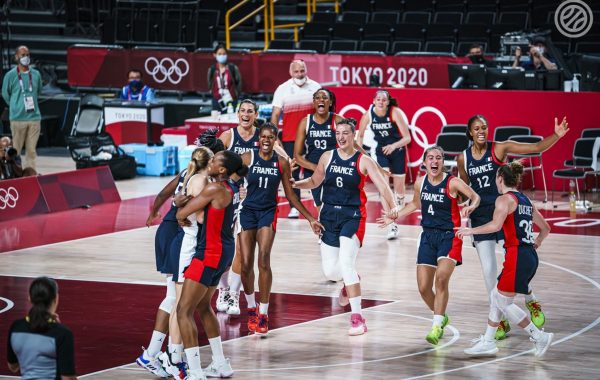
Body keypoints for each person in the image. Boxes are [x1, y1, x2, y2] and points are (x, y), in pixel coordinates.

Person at [456, 114, 569, 339]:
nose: (481, 131)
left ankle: (530, 299)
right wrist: (458, 202)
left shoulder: (499, 148)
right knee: (489, 273)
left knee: (516, 264)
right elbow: (463, 188)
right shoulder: (463, 158)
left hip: (505, 213)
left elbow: (536, 147)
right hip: (480, 217)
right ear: (470, 132)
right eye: (477, 128)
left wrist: (556, 135)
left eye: (485, 127)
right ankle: (500, 322)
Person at [294, 118, 399, 336]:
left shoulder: (363, 160)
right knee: (331, 271)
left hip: (352, 216)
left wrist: (393, 209)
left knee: (346, 263)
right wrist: (295, 184)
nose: (341, 137)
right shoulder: (327, 156)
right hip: (328, 216)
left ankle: (357, 318)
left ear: (353, 136)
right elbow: (315, 181)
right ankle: (350, 282)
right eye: (338, 133)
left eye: (345, 133)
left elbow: (383, 186)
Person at [381, 146, 480, 345]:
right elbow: (415, 205)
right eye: (431, 158)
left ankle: (436, 327)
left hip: (449, 236)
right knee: (424, 288)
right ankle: (441, 316)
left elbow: (475, 196)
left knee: (441, 280)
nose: (434, 161)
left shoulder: (453, 182)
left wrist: (472, 205)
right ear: (425, 162)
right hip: (427, 236)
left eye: (438, 158)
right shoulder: (420, 183)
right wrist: (395, 216)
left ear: (443, 162)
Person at [458, 161, 554, 357]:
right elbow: (546, 228)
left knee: (504, 303)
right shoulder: (525, 200)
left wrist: (470, 231)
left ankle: (539, 336)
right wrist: (536, 243)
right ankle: (488, 341)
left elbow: (494, 226)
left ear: (500, 179)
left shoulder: (504, 200)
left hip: (517, 255)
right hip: (528, 256)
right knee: (496, 296)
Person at [238, 122, 323, 336]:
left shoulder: (282, 162)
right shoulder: (247, 158)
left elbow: (291, 195)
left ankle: (264, 314)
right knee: (246, 264)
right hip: (247, 211)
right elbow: (230, 179)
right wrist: (234, 190)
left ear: (276, 139)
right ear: (259, 138)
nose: (266, 140)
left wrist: (311, 218)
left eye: (271, 137)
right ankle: (251, 308)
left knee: (263, 259)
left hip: (268, 212)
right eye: (263, 136)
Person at [175, 150, 248, 380]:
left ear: (223, 169)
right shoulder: (233, 188)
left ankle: (195, 372)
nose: (211, 161)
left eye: (215, 160)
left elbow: (183, 212)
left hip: (209, 252)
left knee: (183, 311)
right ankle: (219, 363)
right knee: (204, 307)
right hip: (224, 252)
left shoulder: (214, 188)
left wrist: (180, 205)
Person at [159, 147, 214, 380]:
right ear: (209, 162)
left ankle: (175, 355)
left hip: (190, 242)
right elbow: (198, 216)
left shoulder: (198, 177)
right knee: (180, 304)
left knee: (182, 303)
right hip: (187, 244)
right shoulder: (200, 180)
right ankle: (173, 357)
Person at [136, 157, 194, 378]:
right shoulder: (198, 178)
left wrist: (153, 212)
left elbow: (162, 193)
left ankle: (163, 353)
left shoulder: (185, 172)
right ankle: (161, 354)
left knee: (175, 297)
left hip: (169, 231)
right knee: (174, 297)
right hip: (173, 234)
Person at [357, 90, 411, 240]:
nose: (381, 102)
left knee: (399, 189)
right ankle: (392, 225)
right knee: (384, 187)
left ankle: (399, 201)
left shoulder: (395, 112)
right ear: (374, 100)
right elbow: (360, 135)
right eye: (378, 99)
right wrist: (359, 153)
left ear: (388, 102)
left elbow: (407, 138)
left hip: (397, 150)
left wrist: (393, 146)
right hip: (381, 152)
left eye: (384, 100)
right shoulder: (369, 114)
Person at [271, 59, 321, 218]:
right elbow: (275, 114)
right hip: (290, 137)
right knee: (290, 171)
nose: (300, 75)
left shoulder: (316, 87)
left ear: (306, 70)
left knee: (316, 168)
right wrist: (274, 137)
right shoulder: (282, 89)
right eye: (296, 72)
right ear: (290, 72)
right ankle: (294, 206)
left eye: (302, 71)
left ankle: (319, 201)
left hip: (312, 136)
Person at [7, 276, 77, 380]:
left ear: (30, 298)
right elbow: (68, 378)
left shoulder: (16, 327)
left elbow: (13, 367)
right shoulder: (62, 334)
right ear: (56, 298)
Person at [293, 88, 343, 208]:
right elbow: (297, 157)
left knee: (336, 207)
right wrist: (317, 168)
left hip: (333, 169)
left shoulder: (337, 120)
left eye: (325, 98)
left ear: (330, 102)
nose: (321, 100)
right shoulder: (306, 122)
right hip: (313, 171)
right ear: (314, 102)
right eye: (318, 98)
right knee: (322, 209)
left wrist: (369, 160)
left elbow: (352, 147)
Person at [1, 45, 43, 171]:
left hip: (34, 118)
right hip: (17, 118)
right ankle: (15, 177)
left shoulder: (36, 74)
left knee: (31, 152)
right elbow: (5, 93)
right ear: (16, 57)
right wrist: (15, 105)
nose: (26, 58)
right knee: (16, 151)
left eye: (28, 55)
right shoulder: (10, 75)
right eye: (23, 55)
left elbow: (38, 91)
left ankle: (30, 177)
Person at [207, 44, 242, 113]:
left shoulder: (232, 68)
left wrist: (236, 94)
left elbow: (239, 82)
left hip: (231, 99)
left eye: (224, 54)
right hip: (217, 100)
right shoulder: (212, 69)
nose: (222, 56)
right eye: (219, 54)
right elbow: (209, 83)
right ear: (214, 55)